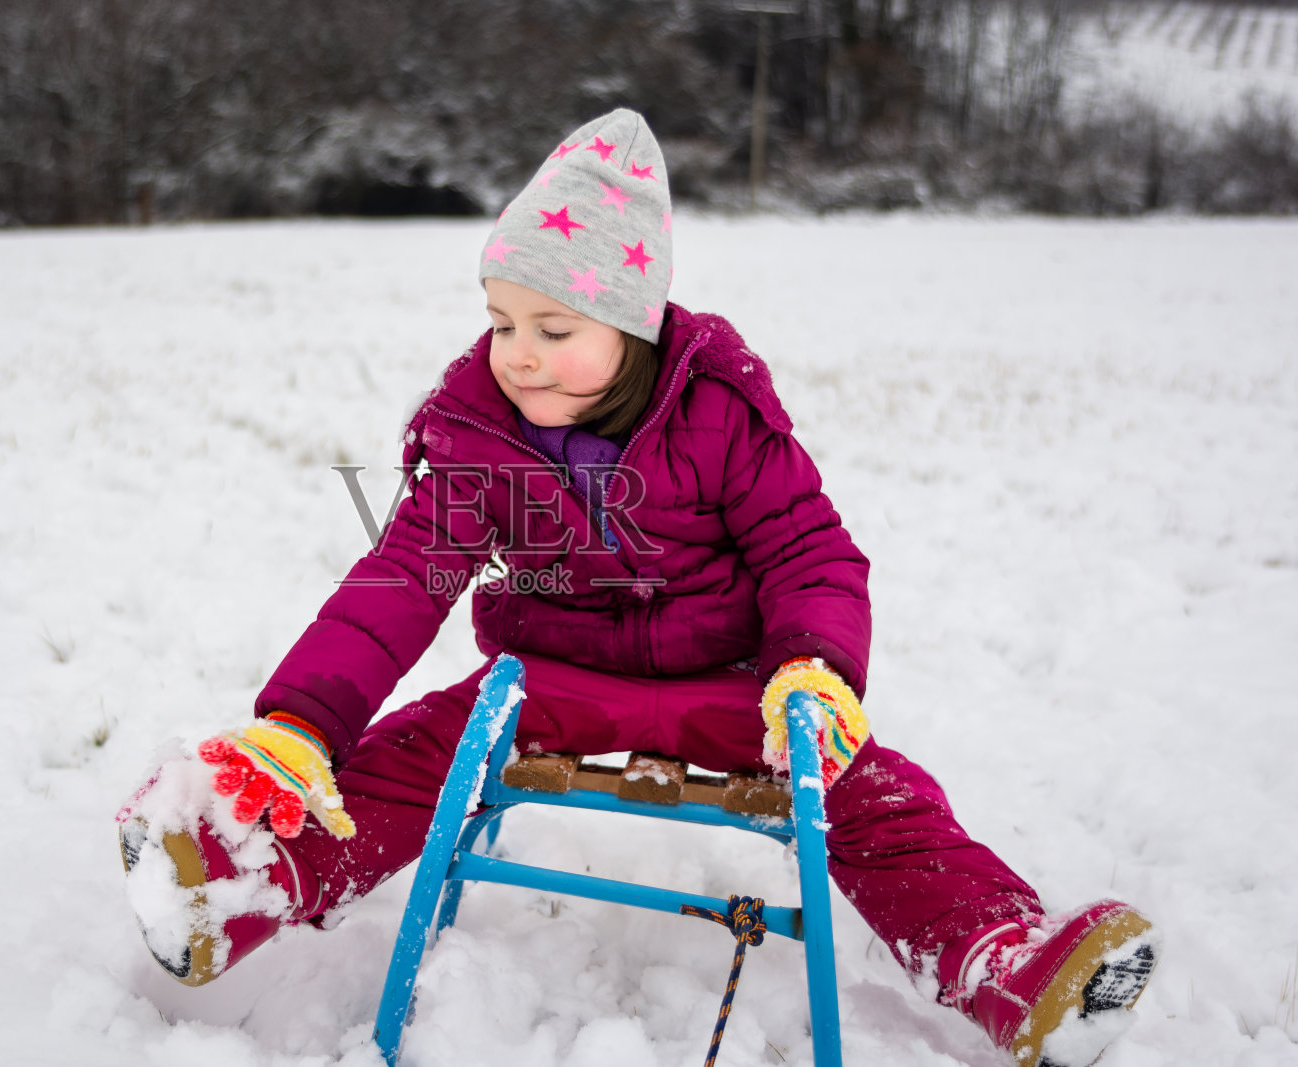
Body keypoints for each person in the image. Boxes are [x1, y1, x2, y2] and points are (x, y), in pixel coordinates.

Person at [115, 110, 1156, 1066]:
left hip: (729, 683)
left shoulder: (718, 411)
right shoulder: (480, 435)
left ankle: (1002, 958)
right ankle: (248, 882)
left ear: (635, 325)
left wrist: (813, 669)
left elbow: (809, 550)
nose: (518, 355)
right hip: (555, 677)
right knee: (421, 753)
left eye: (553, 329)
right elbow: (398, 579)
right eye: (501, 322)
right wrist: (301, 721)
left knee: (873, 792)